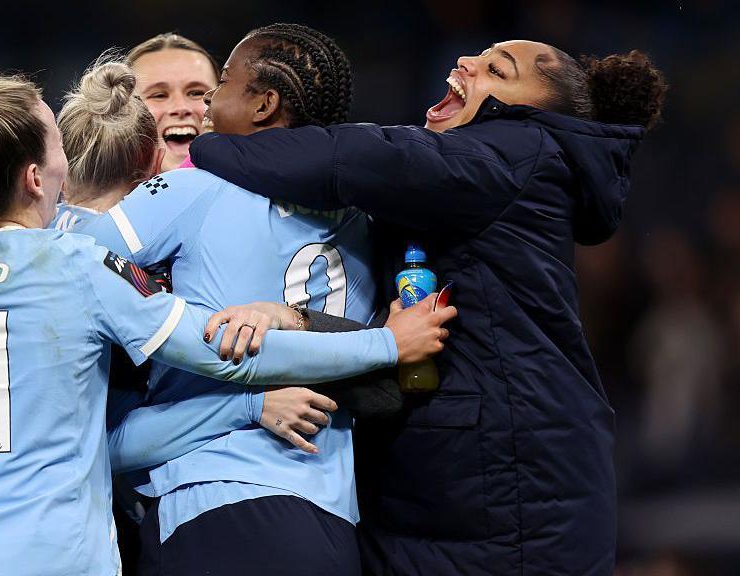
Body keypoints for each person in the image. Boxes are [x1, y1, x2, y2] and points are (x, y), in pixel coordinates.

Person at [0, 72, 438, 576]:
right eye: (56, 142)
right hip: (45, 557)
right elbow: (233, 351)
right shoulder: (81, 267)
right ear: (36, 178)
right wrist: (384, 344)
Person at [190, 41, 667, 575]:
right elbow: (401, 329)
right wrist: (307, 324)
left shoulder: (517, 150)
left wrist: (197, 151)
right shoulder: (474, 180)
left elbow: (353, 159)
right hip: (467, 499)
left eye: (497, 72)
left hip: (517, 504)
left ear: (528, 113)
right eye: (479, 56)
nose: (467, 64)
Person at [74, 24, 418, 576]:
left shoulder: (195, 190)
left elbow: (52, 263)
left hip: (212, 499)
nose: (200, 106)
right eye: (158, 95)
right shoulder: (364, 218)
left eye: (216, 84)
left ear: (264, 103)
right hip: (332, 514)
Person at [127, 33, 218, 172]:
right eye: (159, 95)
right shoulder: (89, 191)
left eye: (196, 93)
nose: (181, 107)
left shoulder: (258, 191)